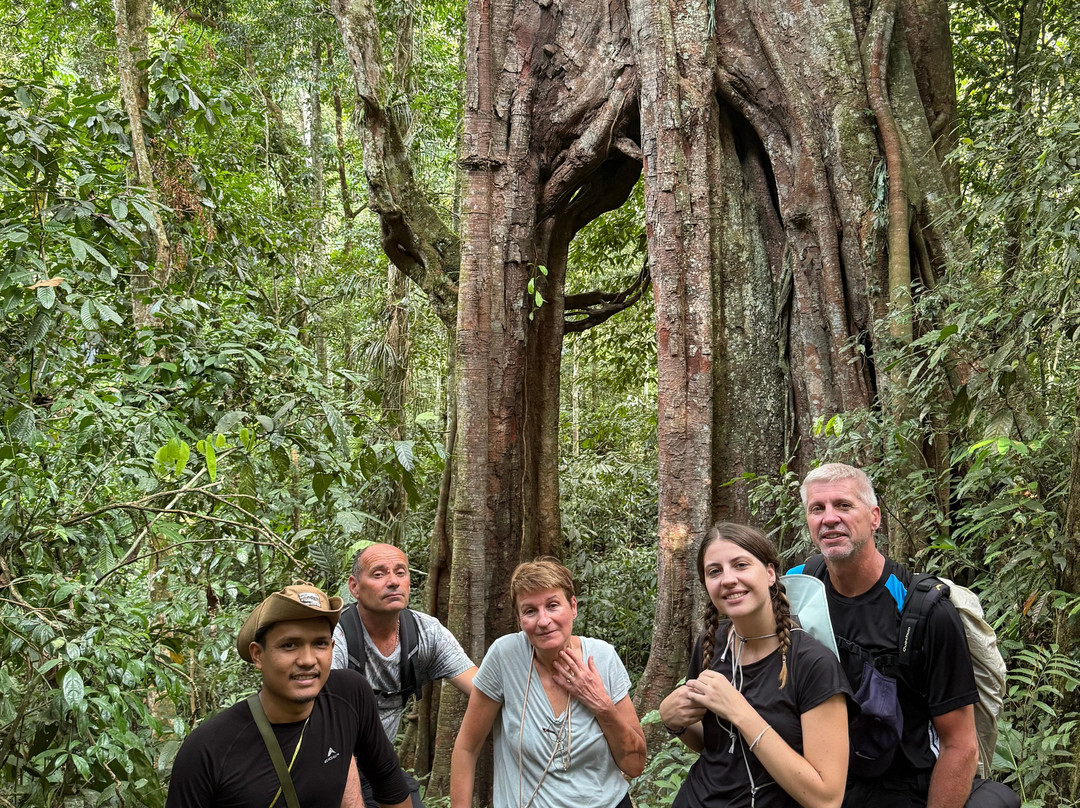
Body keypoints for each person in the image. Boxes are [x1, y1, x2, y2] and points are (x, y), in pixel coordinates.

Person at [795, 462, 979, 808]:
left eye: (844, 505)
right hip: (820, 779)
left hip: (901, 785)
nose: (829, 518)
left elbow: (960, 745)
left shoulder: (924, 611)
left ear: (875, 517)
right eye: (817, 509)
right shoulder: (802, 588)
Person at [166, 582, 412, 808]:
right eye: (289, 645)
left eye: (320, 644)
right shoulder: (207, 749)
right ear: (258, 655)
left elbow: (389, 782)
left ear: (332, 648)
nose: (307, 660)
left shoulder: (350, 695)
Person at [660, 523, 851, 808]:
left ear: (771, 573)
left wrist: (739, 711)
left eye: (740, 565)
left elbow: (826, 799)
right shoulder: (711, 644)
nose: (728, 579)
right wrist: (673, 722)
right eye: (714, 571)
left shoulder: (813, 663)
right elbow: (716, 746)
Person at [450, 558, 646, 808]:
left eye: (553, 605)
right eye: (530, 611)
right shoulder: (505, 656)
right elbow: (467, 748)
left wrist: (602, 705)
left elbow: (635, 765)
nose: (543, 621)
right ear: (520, 618)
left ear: (573, 606)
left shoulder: (603, 657)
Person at [333, 543, 477, 808]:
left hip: (378, 768)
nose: (393, 582)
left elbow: (481, 689)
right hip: (328, 765)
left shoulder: (425, 633)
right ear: (354, 586)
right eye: (379, 574)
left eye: (400, 572)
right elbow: (326, 734)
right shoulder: (336, 640)